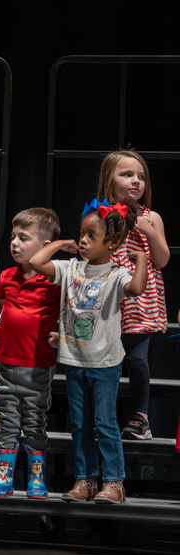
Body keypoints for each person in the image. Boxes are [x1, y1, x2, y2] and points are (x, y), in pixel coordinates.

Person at [30, 199, 148, 505]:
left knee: (105, 423)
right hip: (73, 359)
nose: (82, 240)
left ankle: (115, 482)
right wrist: (59, 243)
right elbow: (37, 263)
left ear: (110, 242)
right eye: (81, 234)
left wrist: (141, 261)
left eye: (90, 236)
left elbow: (136, 289)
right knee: (80, 424)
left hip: (105, 361)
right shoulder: (70, 268)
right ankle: (85, 479)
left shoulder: (117, 273)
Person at [0, 209, 61, 499]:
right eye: (13, 237)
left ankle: (36, 480)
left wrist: (60, 336)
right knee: (7, 422)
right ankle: (3, 479)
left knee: (34, 422)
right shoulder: (7, 275)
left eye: (23, 238)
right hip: (5, 362)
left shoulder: (53, 280)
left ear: (44, 246)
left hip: (37, 364)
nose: (14, 243)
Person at [97, 149, 168, 440]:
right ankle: (103, 416)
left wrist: (148, 231)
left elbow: (162, 259)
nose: (135, 181)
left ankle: (141, 417)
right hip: (110, 298)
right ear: (109, 180)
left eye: (140, 176)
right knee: (105, 360)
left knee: (137, 360)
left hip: (140, 300)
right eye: (127, 175)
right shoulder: (99, 214)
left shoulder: (153, 218)